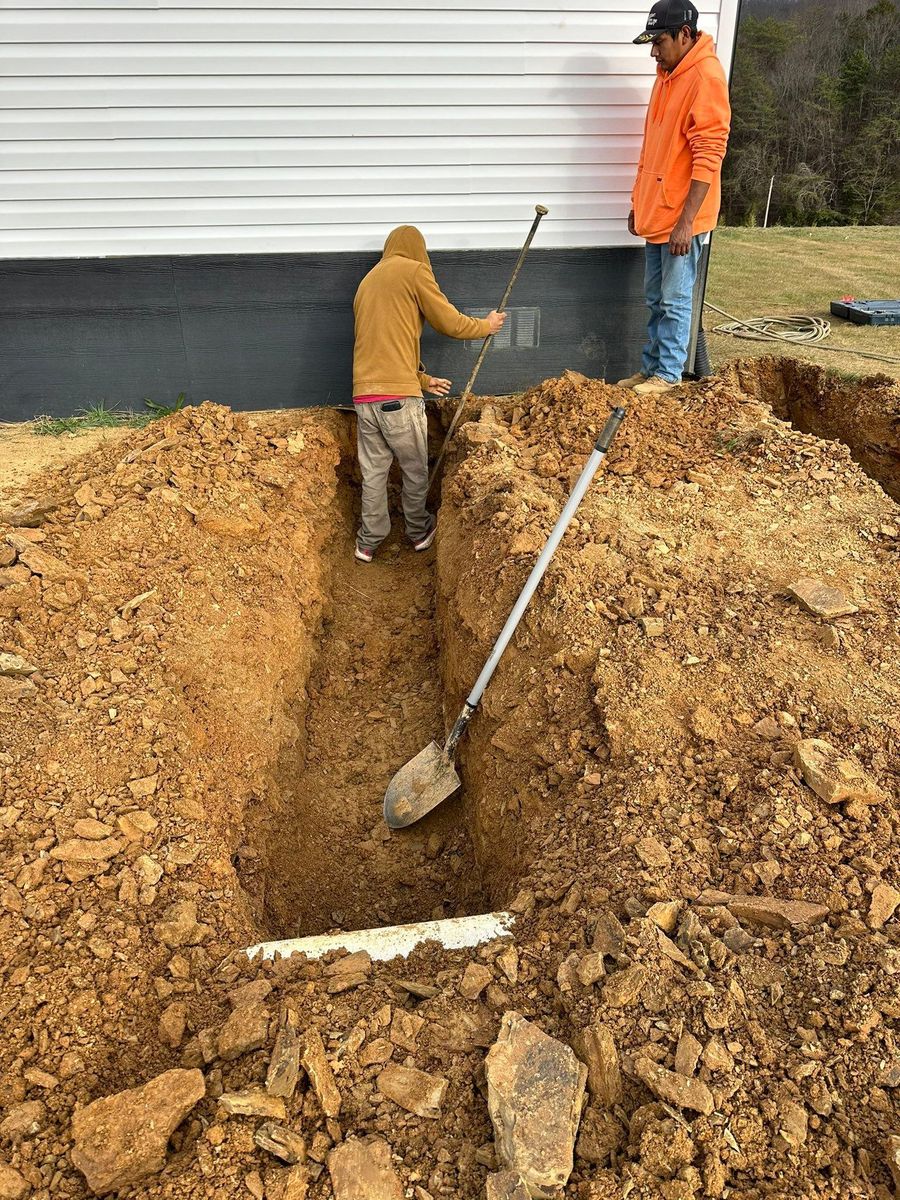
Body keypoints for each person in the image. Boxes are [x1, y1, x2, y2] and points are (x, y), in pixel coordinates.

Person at [351, 225, 506, 562]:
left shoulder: (367, 282)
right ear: (417, 249)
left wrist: (421, 380)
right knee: (415, 468)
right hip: (397, 402)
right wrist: (485, 326)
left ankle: (368, 541)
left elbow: (383, 345)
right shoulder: (414, 270)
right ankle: (419, 531)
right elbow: (448, 322)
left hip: (364, 397)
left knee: (374, 473)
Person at [617, 1, 731, 396]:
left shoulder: (705, 77)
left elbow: (710, 153)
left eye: (659, 42)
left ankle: (667, 376)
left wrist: (686, 222)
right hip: (657, 211)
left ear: (685, 35)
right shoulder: (667, 75)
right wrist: (638, 200)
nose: (653, 51)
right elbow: (653, 148)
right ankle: (650, 368)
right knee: (654, 298)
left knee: (674, 299)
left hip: (683, 218)